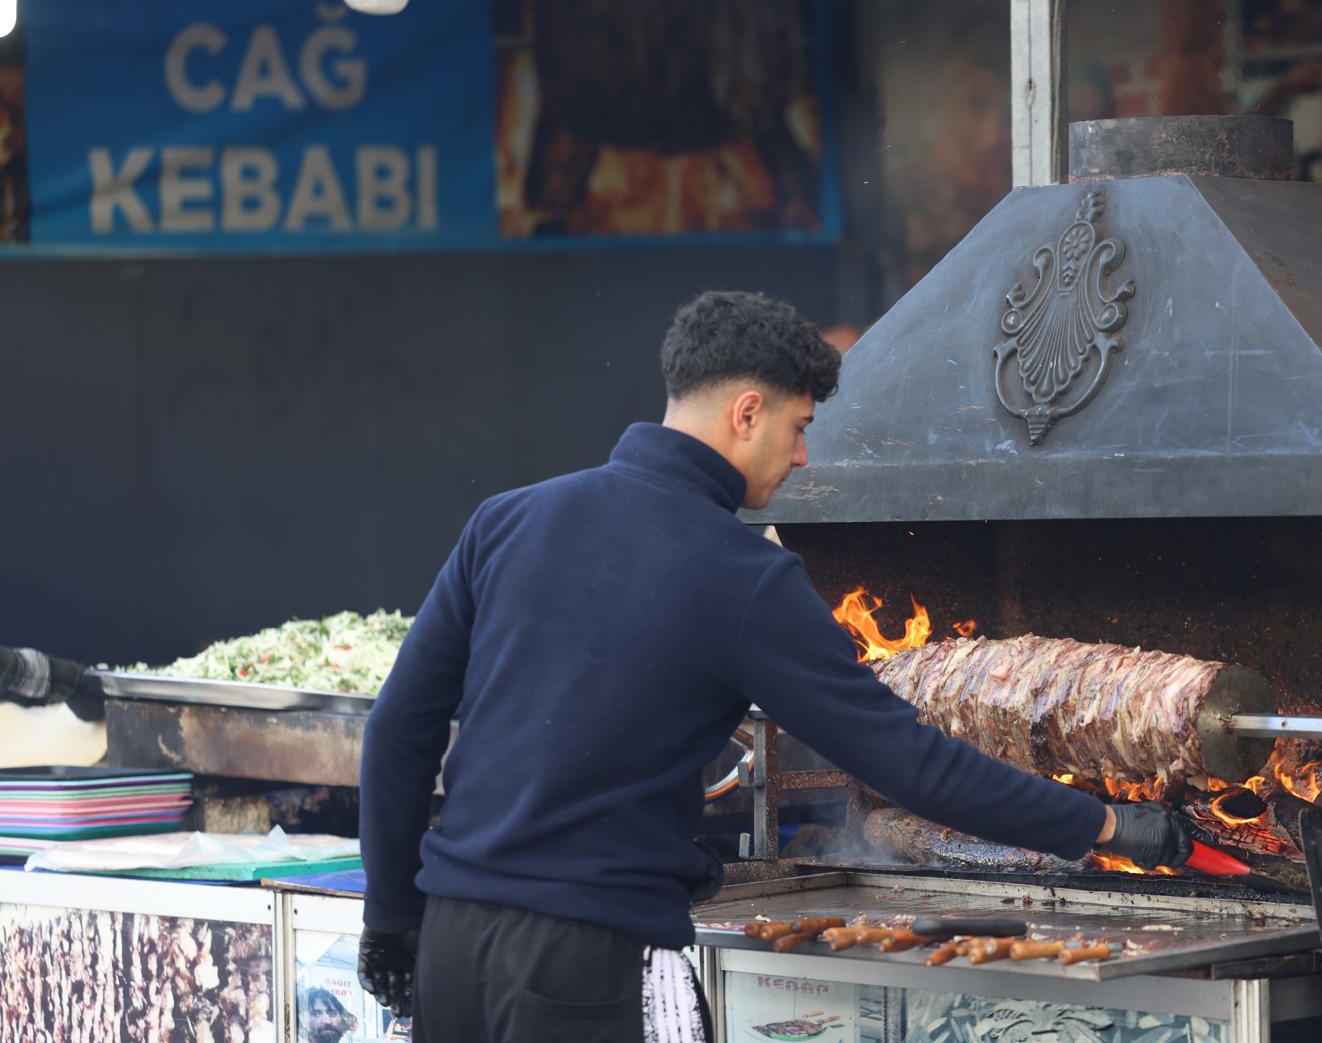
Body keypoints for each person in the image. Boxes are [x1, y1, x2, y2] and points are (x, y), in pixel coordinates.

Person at [357, 290, 1192, 1041]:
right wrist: (1104, 826)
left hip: (453, 946)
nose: (801, 459)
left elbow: (397, 730)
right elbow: (909, 762)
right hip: (584, 964)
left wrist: (391, 918)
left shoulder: (507, 521)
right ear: (746, 413)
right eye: (800, 429)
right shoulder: (742, 576)